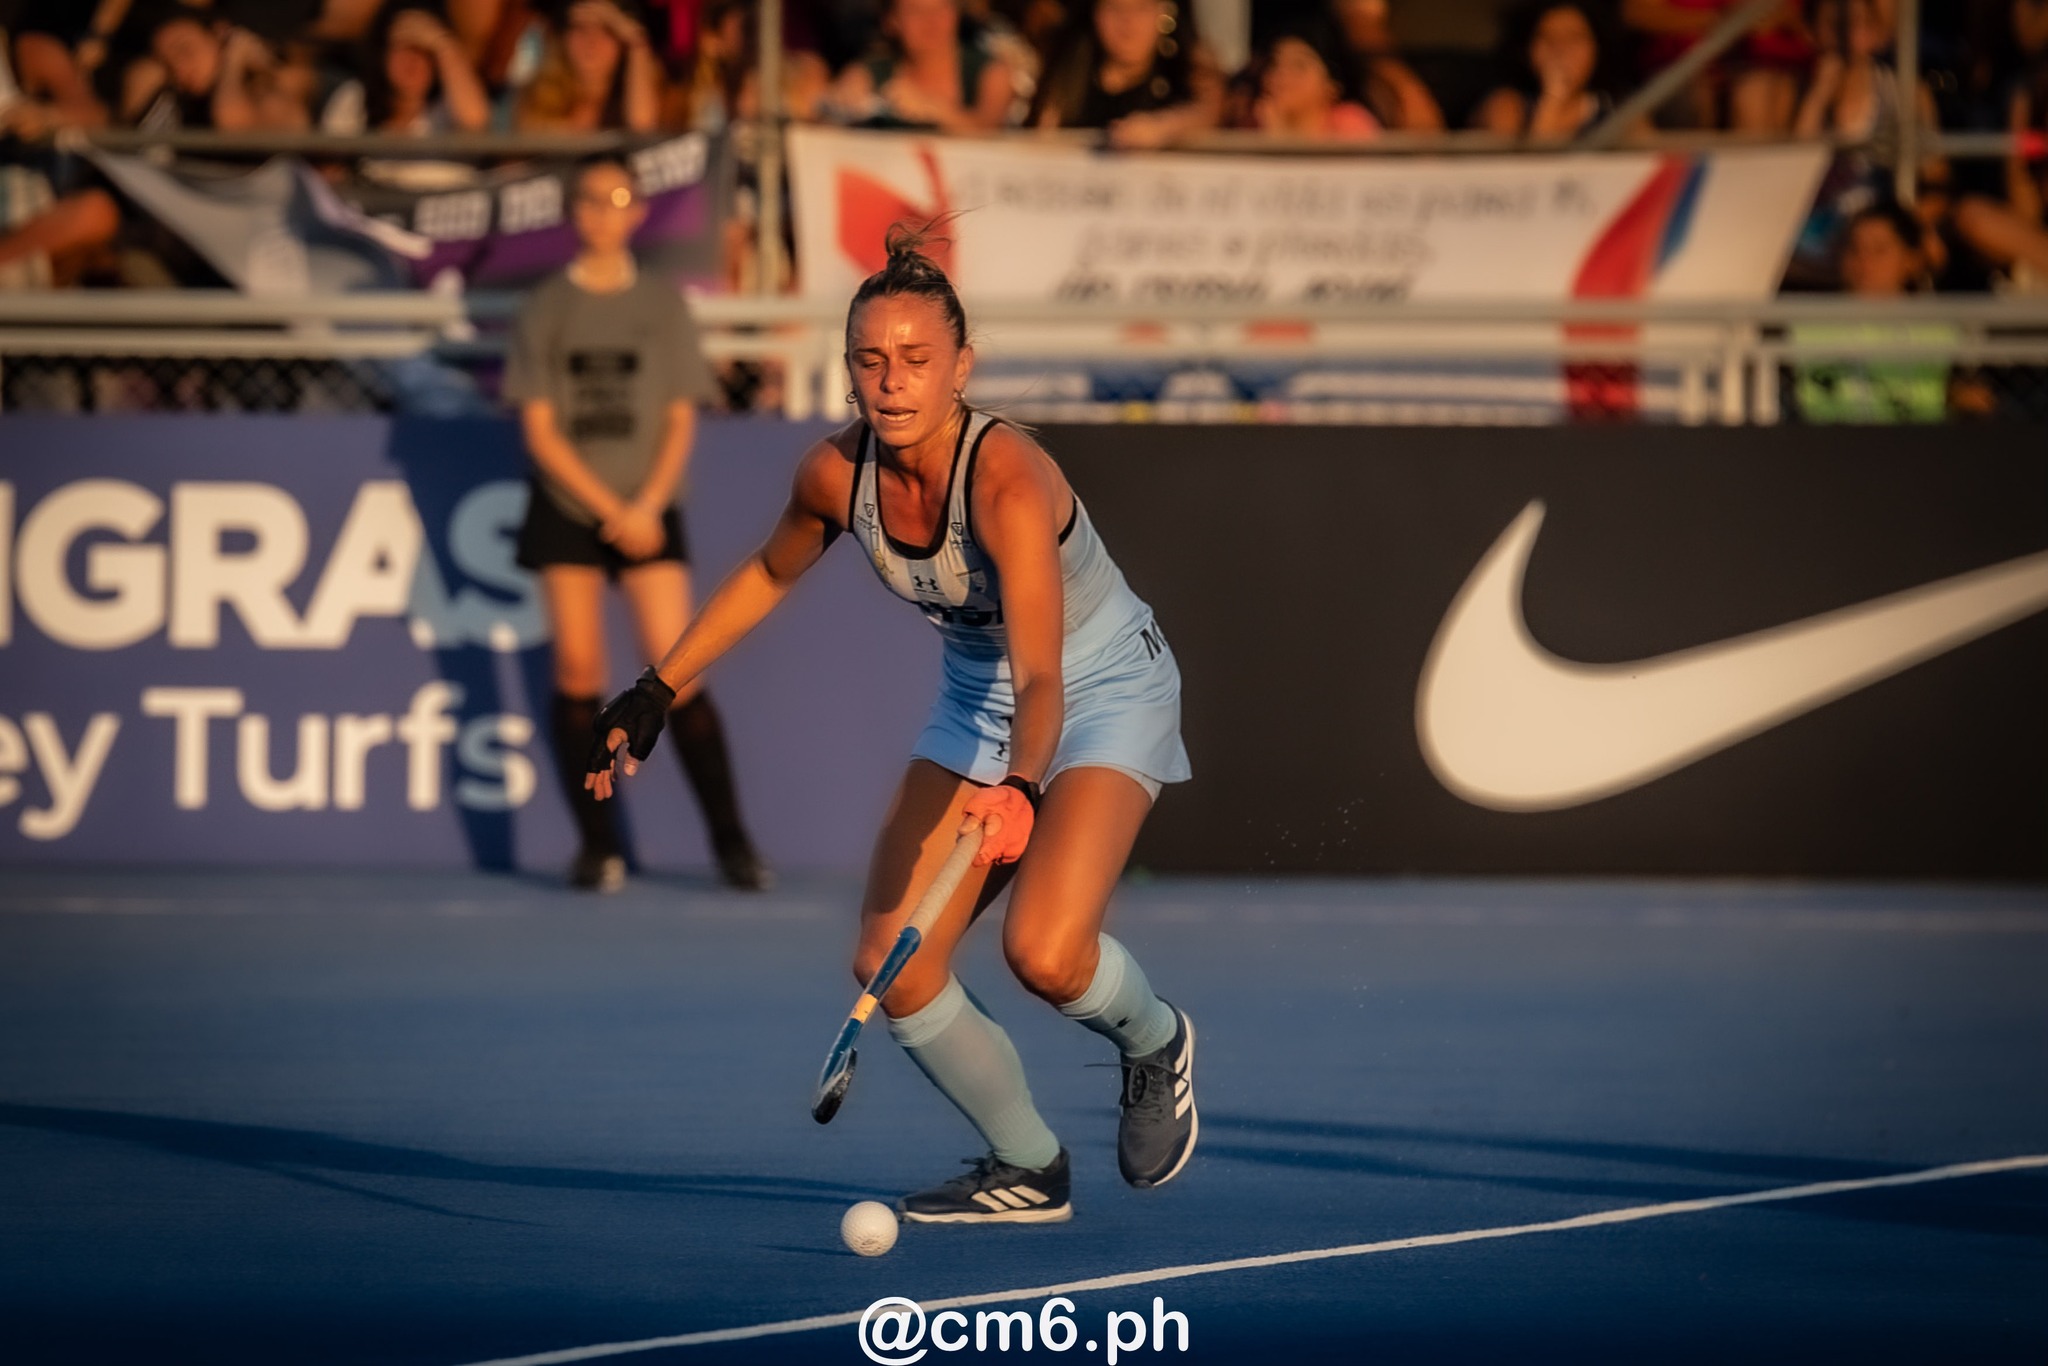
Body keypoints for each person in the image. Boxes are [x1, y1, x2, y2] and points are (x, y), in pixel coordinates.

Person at [586, 226, 1198, 1220]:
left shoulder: (1005, 481)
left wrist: (1022, 786)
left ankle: (1154, 1039)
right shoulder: (835, 475)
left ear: (962, 365)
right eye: (870, 361)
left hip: (1095, 692)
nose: (892, 381)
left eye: (916, 359)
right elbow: (768, 573)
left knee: (1043, 953)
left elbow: (1041, 673)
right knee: (890, 964)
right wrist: (657, 686)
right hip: (974, 702)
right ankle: (1026, 1163)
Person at [505, 156, 770, 892]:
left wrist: (647, 504)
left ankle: (732, 845)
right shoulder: (545, 308)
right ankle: (599, 846)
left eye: (617, 197)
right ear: (575, 211)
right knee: (579, 672)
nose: (602, 210)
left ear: (635, 212)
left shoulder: (662, 305)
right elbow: (540, 429)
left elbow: (683, 414)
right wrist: (606, 507)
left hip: (650, 509)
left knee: (677, 668)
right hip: (570, 506)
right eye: (589, 197)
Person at [1031, 0, 1222, 149]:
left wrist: (1163, 128)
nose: (1128, 22)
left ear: (1163, 12)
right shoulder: (1070, 73)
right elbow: (1043, 139)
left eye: (1141, 7)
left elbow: (1211, 111)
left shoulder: (1183, 69)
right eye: (1114, 8)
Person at [825, 0, 1021, 133]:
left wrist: (936, 110)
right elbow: (827, 109)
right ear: (891, 22)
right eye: (915, 11)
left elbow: (990, 132)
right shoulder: (871, 70)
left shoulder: (991, 72)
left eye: (941, 9)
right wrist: (840, 104)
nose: (931, 22)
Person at [1474, 1, 1618, 141]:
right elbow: (1519, 164)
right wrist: (1552, 100)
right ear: (1527, 49)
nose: (1560, 50)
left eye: (1574, 38)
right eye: (1547, 38)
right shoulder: (1505, 106)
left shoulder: (1621, 112)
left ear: (1597, 48)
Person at [514, 0, 663, 132]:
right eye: (580, 28)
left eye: (606, 30)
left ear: (622, 43)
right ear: (563, 39)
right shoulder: (538, 99)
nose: (591, 41)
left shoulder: (651, 99)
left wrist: (636, 44)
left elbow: (642, 126)